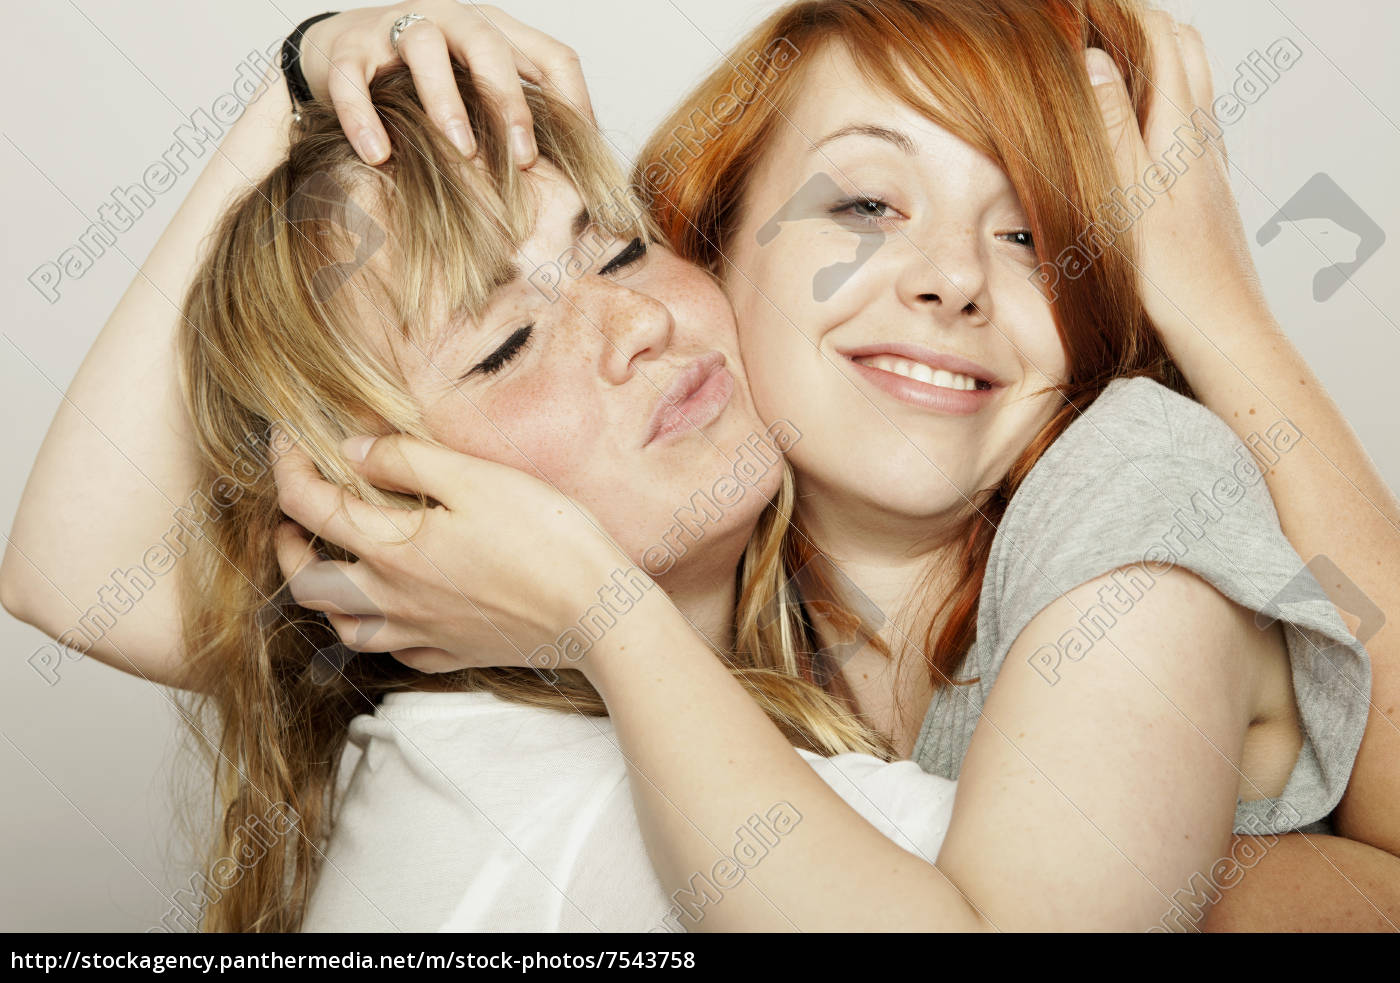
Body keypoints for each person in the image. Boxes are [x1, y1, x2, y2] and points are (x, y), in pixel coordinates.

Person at [274, 0, 1400, 930]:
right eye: (864, 203)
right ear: (706, 250)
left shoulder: (1127, 498)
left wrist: (1213, 309)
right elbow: (101, 585)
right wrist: (314, 63)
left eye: (1028, 234)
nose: (951, 278)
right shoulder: (720, 517)